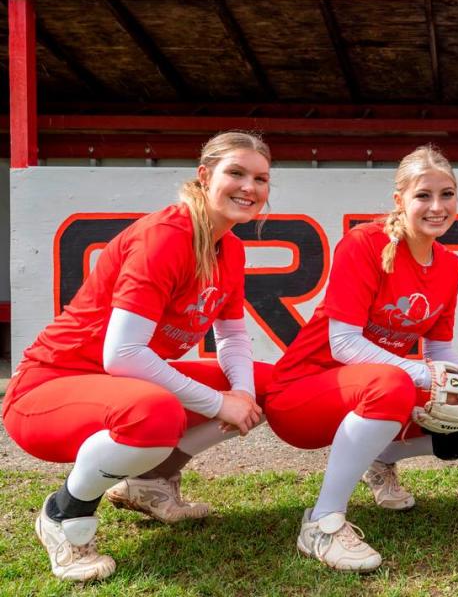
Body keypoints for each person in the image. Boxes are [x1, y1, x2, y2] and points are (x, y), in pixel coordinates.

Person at [2, 131, 272, 582]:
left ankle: (150, 484)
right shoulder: (166, 236)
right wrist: (220, 403)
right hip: (46, 390)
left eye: (261, 178)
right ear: (205, 176)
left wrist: (241, 392)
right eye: (236, 173)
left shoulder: (232, 247)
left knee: (267, 383)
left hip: (122, 385)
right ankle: (63, 514)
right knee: (155, 412)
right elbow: (123, 355)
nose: (250, 187)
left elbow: (232, 336)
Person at [265, 145, 458, 573]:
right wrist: (421, 373)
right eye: (423, 196)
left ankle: (381, 460)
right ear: (400, 201)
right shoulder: (366, 243)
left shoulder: (448, 265)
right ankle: (322, 523)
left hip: (370, 393)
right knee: (394, 385)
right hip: (301, 394)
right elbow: (343, 345)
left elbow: (438, 348)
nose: (437, 206)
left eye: (447, 194)